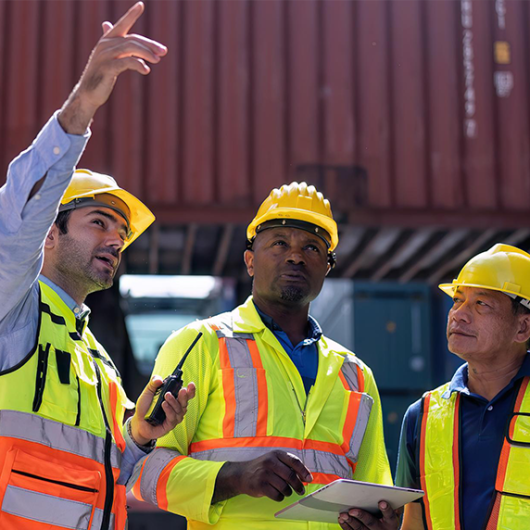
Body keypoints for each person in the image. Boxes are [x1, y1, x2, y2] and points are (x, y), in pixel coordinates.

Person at [0, 3, 195, 530]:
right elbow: (16, 215)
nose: (116, 239)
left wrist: (137, 438)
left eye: (122, 232)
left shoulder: (99, 362)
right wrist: (83, 103)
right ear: (50, 233)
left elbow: (104, 477)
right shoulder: (13, 313)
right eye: (99, 222)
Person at [129, 182, 398, 530]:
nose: (296, 256)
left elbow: (375, 490)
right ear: (250, 261)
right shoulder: (200, 345)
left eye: (312, 247)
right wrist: (235, 477)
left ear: (327, 267)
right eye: (280, 243)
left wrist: (380, 522)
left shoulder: (357, 375)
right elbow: (143, 469)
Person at [396, 244, 530, 530]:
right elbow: (413, 522)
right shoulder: (422, 415)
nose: (458, 314)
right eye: (458, 300)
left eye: (481, 304)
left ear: (523, 328)